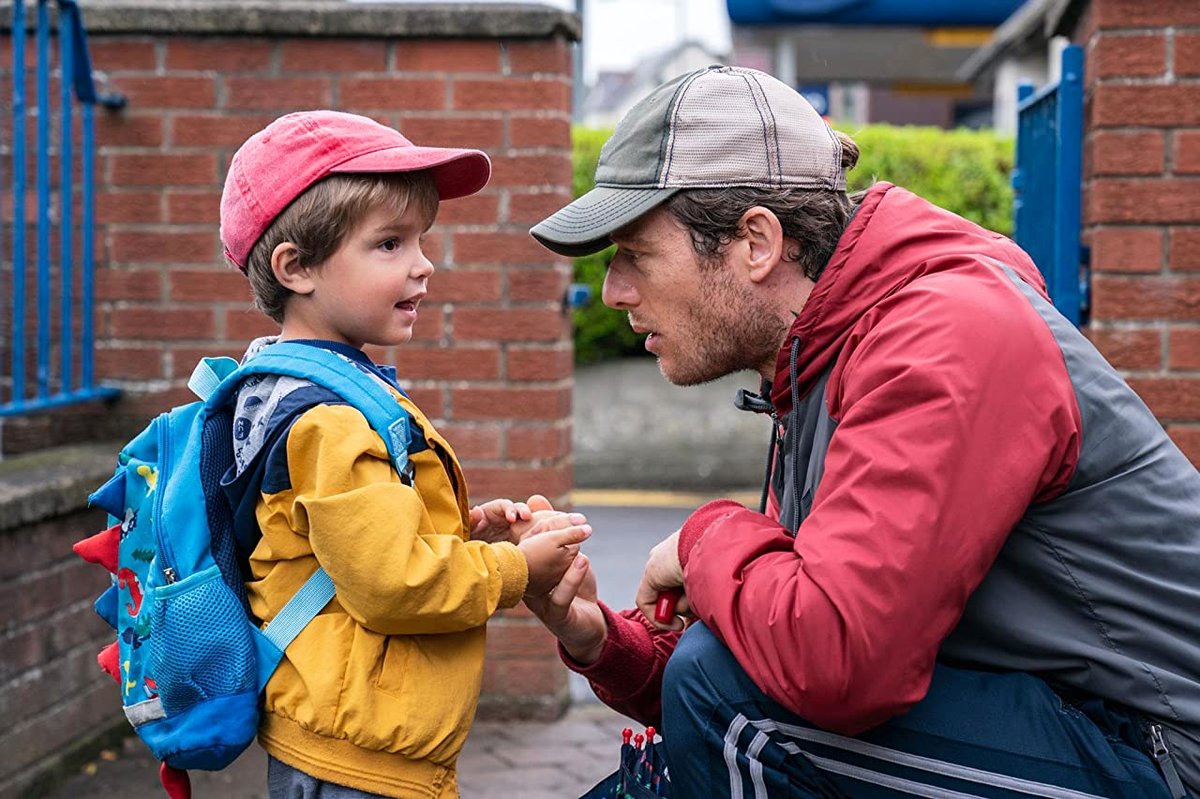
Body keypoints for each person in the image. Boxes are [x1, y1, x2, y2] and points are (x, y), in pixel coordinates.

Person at [526, 65, 1200, 798]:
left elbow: (832, 664)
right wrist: (602, 638)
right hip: (1070, 726)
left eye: (635, 253)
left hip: (1161, 752)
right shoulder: (821, 357)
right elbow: (770, 654)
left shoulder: (947, 336)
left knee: (727, 700)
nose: (616, 288)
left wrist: (705, 538)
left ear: (756, 241)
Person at [217, 110, 590, 799]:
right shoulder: (328, 417)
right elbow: (393, 585)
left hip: (355, 741)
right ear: (296, 267)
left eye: (421, 239)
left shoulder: (299, 384)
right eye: (389, 243)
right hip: (355, 758)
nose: (424, 264)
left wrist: (463, 532)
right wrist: (513, 568)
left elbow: (345, 545)